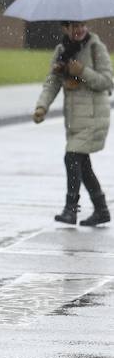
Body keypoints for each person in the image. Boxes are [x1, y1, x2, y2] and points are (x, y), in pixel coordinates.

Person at [33, 21, 112, 226]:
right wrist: (42, 106)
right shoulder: (61, 50)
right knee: (82, 164)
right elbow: (52, 82)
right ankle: (101, 209)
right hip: (75, 118)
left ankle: (71, 210)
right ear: (65, 29)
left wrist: (82, 71)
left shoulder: (96, 47)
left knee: (72, 157)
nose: (80, 30)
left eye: (83, 25)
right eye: (74, 26)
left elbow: (107, 81)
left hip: (95, 116)